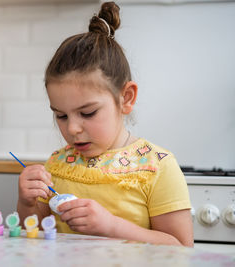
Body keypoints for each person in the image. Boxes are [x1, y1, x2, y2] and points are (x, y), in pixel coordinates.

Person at [17, 1, 194, 247]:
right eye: (61, 116)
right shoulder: (57, 165)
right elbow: (32, 235)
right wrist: (27, 204)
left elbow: (182, 248)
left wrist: (112, 226)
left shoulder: (157, 167)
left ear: (126, 98)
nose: (72, 129)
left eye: (87, 113)